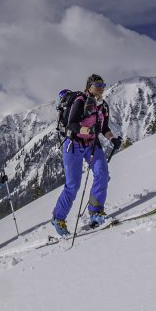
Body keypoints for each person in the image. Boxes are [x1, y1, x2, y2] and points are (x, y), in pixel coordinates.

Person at [51, 73, 122, 236]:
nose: (100, 88)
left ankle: (96, 213)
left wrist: (112, 139)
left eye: (103, 85)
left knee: (102, 174)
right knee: (73, 185)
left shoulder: (103, 106)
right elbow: (73, 125)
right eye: (97, 84)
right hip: (73, 145)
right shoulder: (80, 101)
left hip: (92, 145)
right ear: (89, 86)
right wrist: (89, 130)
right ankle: (58, 218)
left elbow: (104, 128)